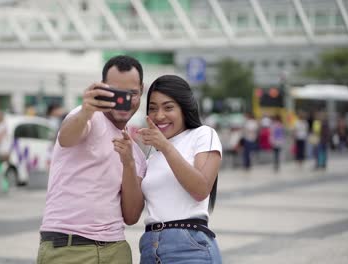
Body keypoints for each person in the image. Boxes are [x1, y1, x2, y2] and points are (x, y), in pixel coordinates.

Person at [38, 55, 146, 264]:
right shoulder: (86, 117)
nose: (124, 101)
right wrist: (87, 110)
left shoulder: (135, 154)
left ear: (141, 90)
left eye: (131, 93)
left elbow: (131, 216)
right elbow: (66, 138)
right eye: (117, 93)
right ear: (103, 88)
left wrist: (129, 163)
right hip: (69, 248)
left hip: (116, 249)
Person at [137, 75, 223, 264]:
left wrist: (166, 147)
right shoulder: (152, 155)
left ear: (184, 108)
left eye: (168, 107)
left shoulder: (203, 134)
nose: (159, 115)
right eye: (152, 108)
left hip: (189, 246)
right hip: (150, 247)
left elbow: (201, 189)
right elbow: (133, 213)